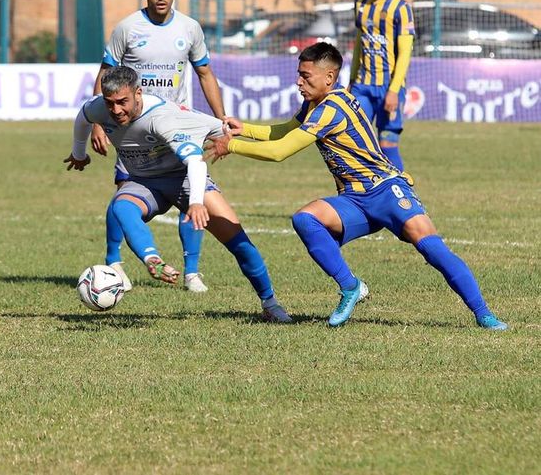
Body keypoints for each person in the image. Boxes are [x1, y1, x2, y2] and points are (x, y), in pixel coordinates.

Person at [206, 42, 507, 331]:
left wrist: (232, 147)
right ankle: (351, 287)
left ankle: (484, 315)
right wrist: (245, 129)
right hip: (354, 199)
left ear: (329, 77)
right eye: (299, 74)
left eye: (305, 76)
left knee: (430, 246)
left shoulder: (331, 108)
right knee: (305, 219)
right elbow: (287, 130)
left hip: (386, 190)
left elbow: (280, 151)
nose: (298, 82)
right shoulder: (316, 102)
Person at [64, 65, 291, 324]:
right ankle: (153, 260)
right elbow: (84, 117)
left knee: (237, 240)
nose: (116, 111)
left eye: (122, 102)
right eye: (110, 103)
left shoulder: (163, 119)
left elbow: (195, 162)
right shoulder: (100, 107)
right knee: (121, 206)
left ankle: (270, 302)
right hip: (145, 182)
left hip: (184, 177)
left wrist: (195, 203)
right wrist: (79, 153)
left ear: (138, 93)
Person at [91, 0, 225, 294]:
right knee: (122, 197)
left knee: (189, 195)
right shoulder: (127, 28)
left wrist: (221, 119)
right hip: (133, 129)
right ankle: (114, 264)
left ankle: (191, 272)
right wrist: (98, 121)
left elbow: (205, 74)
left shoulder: (190, 28)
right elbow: (106, 75)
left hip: (175, 128)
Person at [349, 0, 414, 171]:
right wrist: (351, 80)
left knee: (387, 144)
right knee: (353, 141)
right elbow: (359, 43)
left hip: (388, 86)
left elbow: (405, 53)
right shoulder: (360, 4)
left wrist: (394, 90)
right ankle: (361, 195)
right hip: (362, 86)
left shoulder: (401, 8)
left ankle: (403, 198)